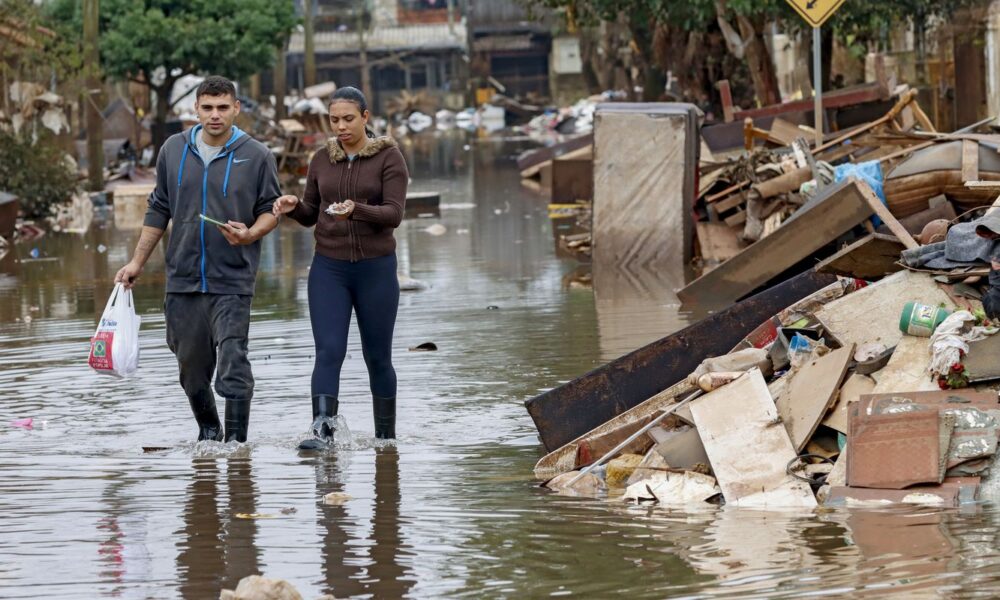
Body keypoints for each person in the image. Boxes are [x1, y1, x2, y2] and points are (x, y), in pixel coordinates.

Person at [115, 75, 284, 443]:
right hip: (183, 278)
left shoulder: (257, 155)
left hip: (233, 279)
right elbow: (159, 208)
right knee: (191, 369)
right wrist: (136, 263)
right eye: (207, 108)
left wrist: (252, 233)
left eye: (223, 107)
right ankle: (209, 432)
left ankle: (237, 446)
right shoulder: (173, 150)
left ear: (236, 108)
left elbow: (270, 209)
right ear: (195, 109)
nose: (215, 115)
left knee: (233, 361)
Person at [272, 86, 408, 449]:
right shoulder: (321, 159)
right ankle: (322, 430)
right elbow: (310, 214)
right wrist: (292, 206)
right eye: (334, 120)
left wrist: (356, 209)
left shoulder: (389, 158)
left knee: (377, 357)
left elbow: (394, 214)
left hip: (375, 270)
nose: (341, 126)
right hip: (329, 270)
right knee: (328, 350)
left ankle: (385, 439)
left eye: (349, 119)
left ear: (366, 117)